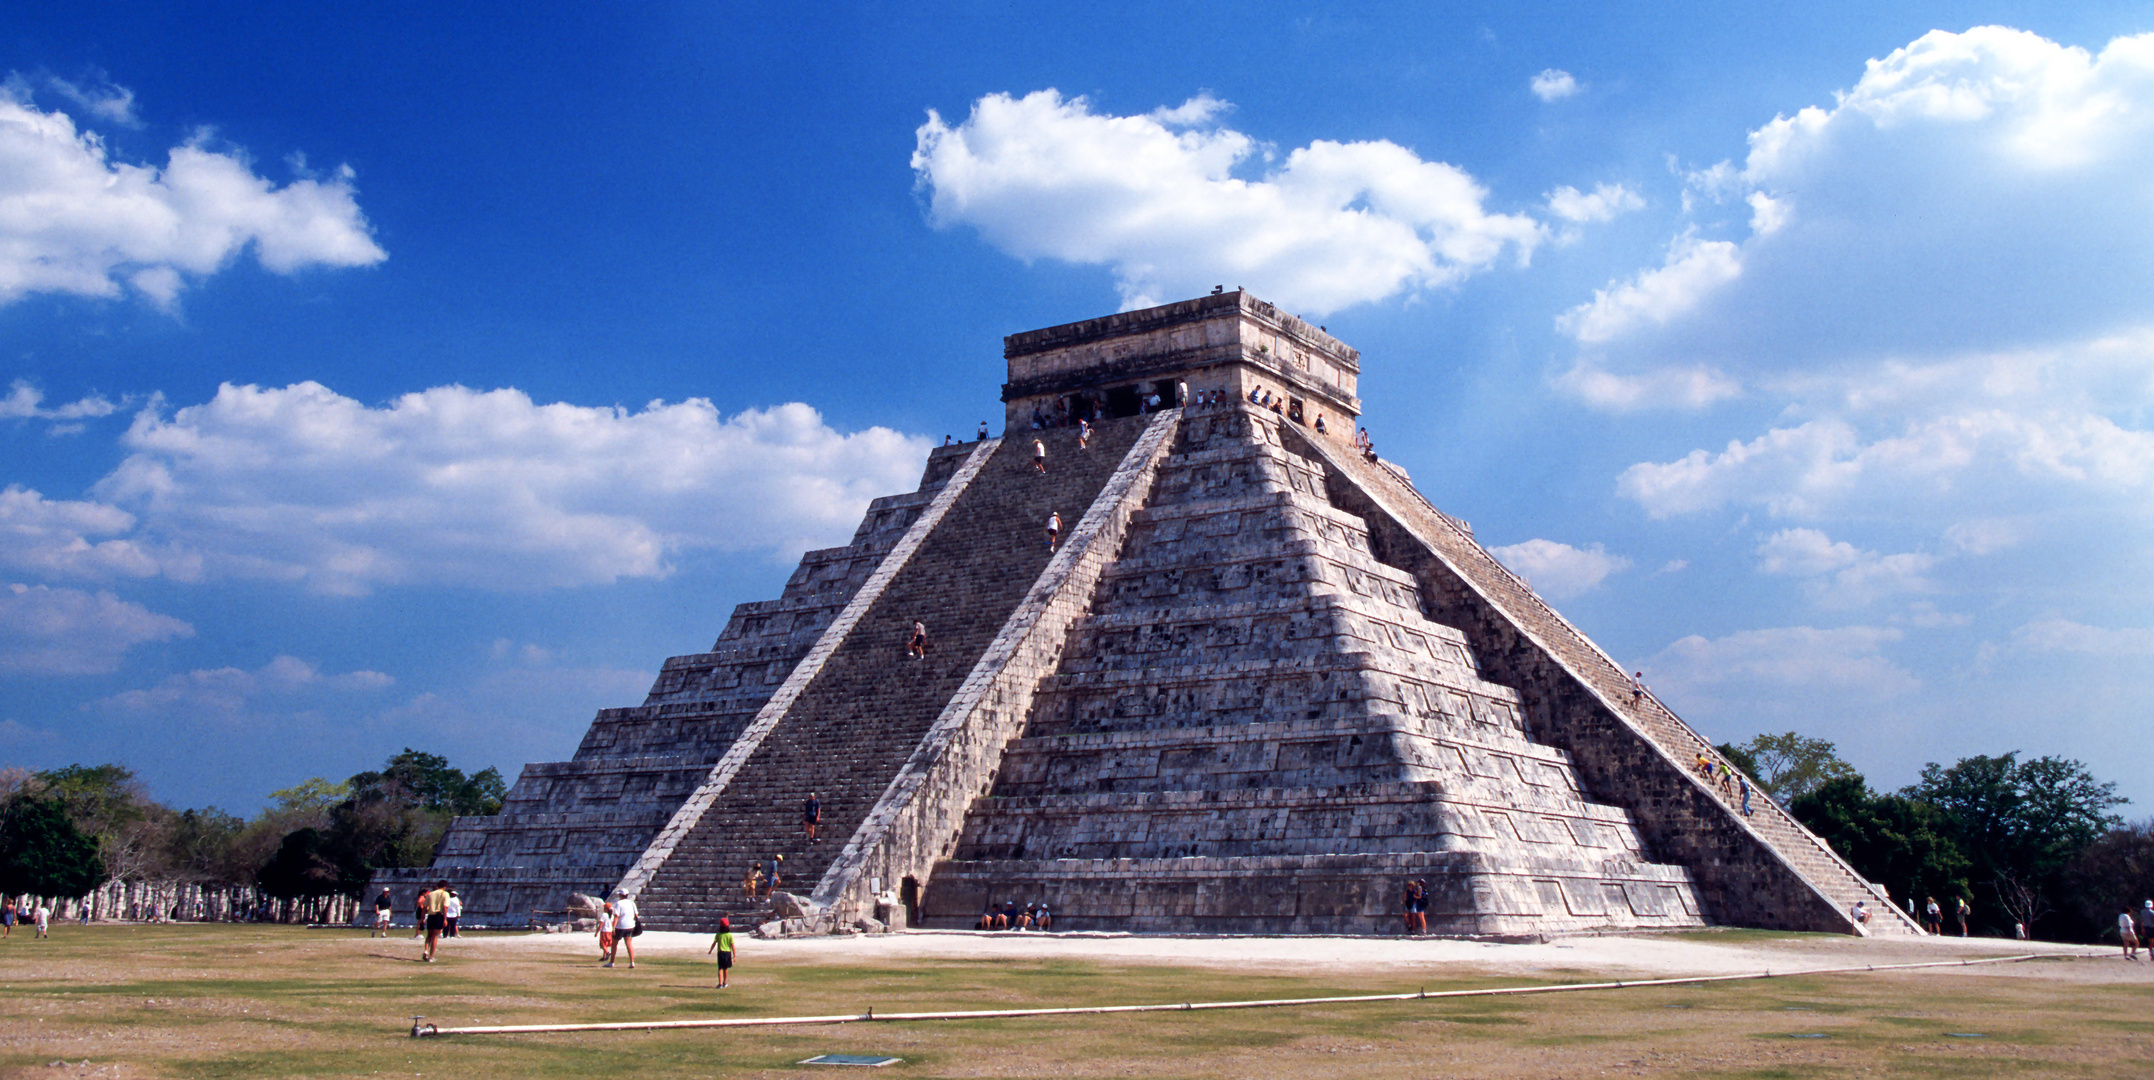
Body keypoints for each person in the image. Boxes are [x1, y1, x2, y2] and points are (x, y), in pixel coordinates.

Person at [420, 880, 450, 962]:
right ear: (444, 887)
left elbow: (424, 908)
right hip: (438, 916)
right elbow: (445, 907)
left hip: (430, 916)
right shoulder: (445, 894)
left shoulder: (430, 894)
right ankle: (431, 956)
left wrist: (422, 919)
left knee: (429, 935)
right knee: (435, 936)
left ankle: (426, 950)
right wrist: (445, 919)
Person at [611, 888, 639, 969]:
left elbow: (616, 916)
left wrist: (613, 927)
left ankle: (612, 962)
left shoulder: (619, 903)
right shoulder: (631, 903)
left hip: (620, 926)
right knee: (629, 944)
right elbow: (636, 915)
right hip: (630, 926)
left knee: (614, 944)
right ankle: (632, 962)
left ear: (621, 895)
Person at [708, 917, 737, 988]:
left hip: (720, 952)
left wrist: (710, 950)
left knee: (720, 968)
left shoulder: (718, 934)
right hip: (727, 953)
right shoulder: (729, 935)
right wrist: (734, 956)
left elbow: (714, 943)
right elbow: (733, 946)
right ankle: (725, 982)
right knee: (725, 968)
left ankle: (720, 983)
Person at [597, 901, 617, 965]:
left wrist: (597, 931)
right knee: (606, 943)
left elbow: (601, 924)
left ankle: (607, 952)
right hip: (610, 931)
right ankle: (604, 956)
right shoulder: (612, 916)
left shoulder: (604, 915)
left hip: (604, 931)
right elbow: (612, 923)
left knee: (602, 944)